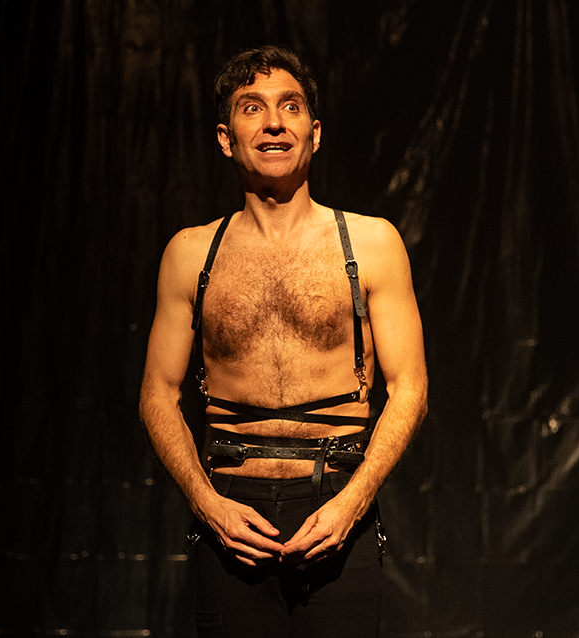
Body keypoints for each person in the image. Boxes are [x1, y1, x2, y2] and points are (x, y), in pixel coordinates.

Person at [139, 45, 428, 637]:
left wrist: (352, 504)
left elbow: (410, 388)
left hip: (337, 504)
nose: (274, 123)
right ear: (226, 139)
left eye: (290, 107)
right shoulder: (190, 255)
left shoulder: (372, 244)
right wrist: (208, 504)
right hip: (230, 512)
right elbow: (157, 394)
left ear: (314, 133)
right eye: (253, 108)